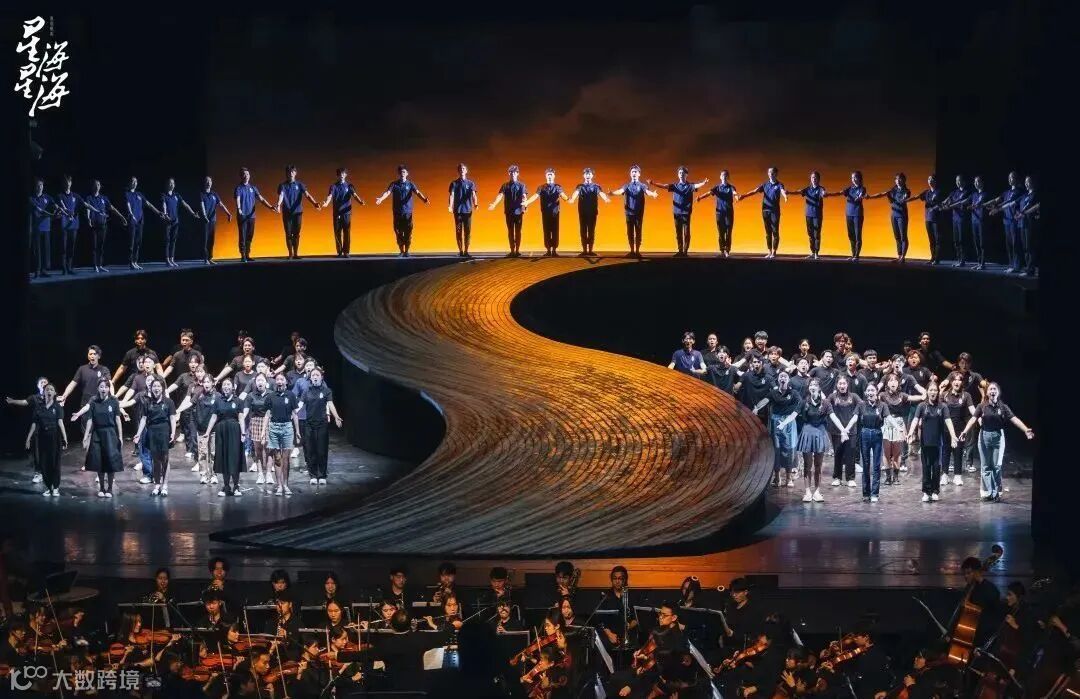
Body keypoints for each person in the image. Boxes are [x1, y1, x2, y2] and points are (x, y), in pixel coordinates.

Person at [959, 383, 1034, 502]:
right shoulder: (982, 406)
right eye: (990, 389)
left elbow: (1014, 419)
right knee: (986, 466)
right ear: (987, 392)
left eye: (995, 389)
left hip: (998, 437)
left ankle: (996, 492)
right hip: (984, 437)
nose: (992, 391)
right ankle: (987, 493)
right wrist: (965, 431)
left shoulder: (1003, 407)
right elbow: (973, 419)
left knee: (996, 466)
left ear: (998, 392)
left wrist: (1025, 429)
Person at [78, 377, 124, 497]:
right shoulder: (94, 401)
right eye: (101, 387)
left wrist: (120, 436)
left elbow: (117, 419)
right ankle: (102, 488)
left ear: (109, 388)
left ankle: (110, 489)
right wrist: (86, 436)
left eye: (106, 387)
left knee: (110, 461)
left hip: (110, 434)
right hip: (97, 433)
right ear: (98, 388)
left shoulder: (114, 401)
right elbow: (90, 420)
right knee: (99, 461)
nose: (104, 389)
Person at [648, 166, 709, 256]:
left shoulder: (690, 186)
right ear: (678, 174)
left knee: (686, 232)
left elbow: (697, 185)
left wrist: (704, 183)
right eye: (680, 173)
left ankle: (685, 251)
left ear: (686, 175)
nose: (681, 174)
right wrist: (653, 183)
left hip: (686, 213)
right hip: (677, 213)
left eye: (683, 173)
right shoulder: (675, 186)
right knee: (678, 232)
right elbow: (664, 186)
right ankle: (680, 251)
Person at [297, 367, 342, 485]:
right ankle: (313, 475)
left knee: (322, 450)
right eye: (313, 375)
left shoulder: (326, 391)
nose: (315, 377)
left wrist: (336, 416)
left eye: (317, 375)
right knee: (310, 450)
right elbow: (300, 405)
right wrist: (292, 412)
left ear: (321, 377)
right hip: (309, 424)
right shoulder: (306, 391)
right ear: (310, 378)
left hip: (322, 424)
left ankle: (322, 475)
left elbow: (330, 404)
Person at [133, 378, 177, 496]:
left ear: (162, 388)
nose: (156, 389)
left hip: (164, 432)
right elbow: (144, 419)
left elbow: (172, 418)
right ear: (151, 388)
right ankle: (157, 485)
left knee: (165, 459)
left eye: (158, 386)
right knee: (155, 460)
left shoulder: (169, 402)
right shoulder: (148, 402)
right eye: (154, 386)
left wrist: (173, 432)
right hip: (152, 432)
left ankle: (165, 485)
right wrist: (138, 433)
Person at [757, 371, 801, 488]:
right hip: (775, 422)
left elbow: (800, 403)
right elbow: (765, 401)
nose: (783, 378)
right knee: (776, 449)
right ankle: (777, 477)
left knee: (790, 449)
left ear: (788, 380)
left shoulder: (793, 393)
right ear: (778, 380)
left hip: (789, 422)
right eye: (781, 376)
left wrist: (794, 414)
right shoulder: (773, 393)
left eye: (785, 376)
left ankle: (789, 477)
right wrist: (756, 408)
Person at [375, 165, 430, 257]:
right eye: (401, 172)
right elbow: (387, 193)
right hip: (397, 212)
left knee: (408, 232)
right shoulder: (394, 184)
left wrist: (424, 199)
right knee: (398, 232)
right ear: (398, 173)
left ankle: (407, 251)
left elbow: (417, 192)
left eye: (404, 172)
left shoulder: (410, 184)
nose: (402, 174)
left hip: (408, 212)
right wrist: (381, 198)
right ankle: (401, 251)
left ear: (407, 173)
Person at [204, 377, 245, 497]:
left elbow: (241, 417)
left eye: (228, 385)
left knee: (234, 458)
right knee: (224, 458)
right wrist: (207, 432)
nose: (226, 387)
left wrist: (243, 432)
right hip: (221, 431)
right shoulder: (218, 400)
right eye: (224, 385)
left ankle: (236, 486)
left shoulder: (238, 401)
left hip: (234, 431)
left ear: (233, 387)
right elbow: (214, 417)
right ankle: (226, 486)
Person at [880, 373, 922, 486]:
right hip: (886, 423)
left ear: (898, 383)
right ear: (887, 383)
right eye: (890, 380)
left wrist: (924, 395)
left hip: (899, 423)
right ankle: (888, 477)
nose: (893, 382)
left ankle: (896, 477)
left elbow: (913, 397)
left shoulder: (901, 395)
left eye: (895, 380)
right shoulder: (882, 395)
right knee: (886, 452)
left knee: (897, 453)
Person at [737, 166, 788, 258]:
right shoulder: (765, 185)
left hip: (775, 211)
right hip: (765, 211)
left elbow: (782, 191)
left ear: (776, 174)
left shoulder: (779, 184)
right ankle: (769, 251)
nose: (770, 174)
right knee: (768, 232)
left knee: (775, 231)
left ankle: (774, 252)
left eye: (772, 172)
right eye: (769, 172)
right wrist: (744, 196)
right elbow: (755, 191)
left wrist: (785, 196)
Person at [25, 383, 67, 496]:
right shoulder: (39, 408)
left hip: (55, 437)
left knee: (55, 463)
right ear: (44, 392)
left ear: (54, 393)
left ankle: (56, 487)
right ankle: (48, 487)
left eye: (51, 389)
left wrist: (65, 437)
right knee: (44, 463)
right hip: (43, 437)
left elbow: (60, 422)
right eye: (47, 389)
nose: (49, 391)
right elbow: (34, 424)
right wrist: (28, 438)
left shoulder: (57, 407)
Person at [608, 165, 658, 258]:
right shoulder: (627, 186)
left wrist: (653, 194)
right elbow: (620, 191)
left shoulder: (642, 185)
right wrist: (613, 193)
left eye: (635, 172)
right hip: (629, 213)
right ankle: (631, 251)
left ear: (639, 174)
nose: (634, 173)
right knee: (630, 232)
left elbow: (647, 192)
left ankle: (637, 251)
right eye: (632, 172)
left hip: (638, 213)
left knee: (638, 231)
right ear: (630, 174)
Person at [909, 382, 948, 502]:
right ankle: (926, 492)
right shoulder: (922, 406)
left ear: (938, 392)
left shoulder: (942, 406)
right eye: (931, 390)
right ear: (927, 391)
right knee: (926, 468)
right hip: (925, 442)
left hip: (938, 443)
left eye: (935, 390)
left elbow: (948, 421)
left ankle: (935, 491)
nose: (933, 392)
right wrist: (910, 432)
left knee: (936, 468)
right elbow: (915, 420)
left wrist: (953, 435)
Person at [59, 345, 112, 430]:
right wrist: (64, 395)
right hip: (85, 404)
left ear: (99, 356)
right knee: (86, 431)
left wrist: (113, 397)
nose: (92, 356)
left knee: (101, 430)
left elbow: (110, 384)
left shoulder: (104, 369)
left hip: (100, 404)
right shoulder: (82, 369)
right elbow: (73, 383)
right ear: (88, 356)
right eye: (90, 354)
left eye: (94, 354)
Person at [275, 165, 321, 259]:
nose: (291, 174)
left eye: (292, 172)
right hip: (287, 213)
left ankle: (296, 253)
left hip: (298, 213)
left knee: (296, 233)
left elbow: (307, 195)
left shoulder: (300, 185)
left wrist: (314, 203)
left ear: (295, 173)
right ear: (286, 174)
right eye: (289, 172)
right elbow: (281, 195)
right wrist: (278, 205)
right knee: (288, 233)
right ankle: (290, 254)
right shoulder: (282, 185)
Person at [55, 174, 98, 275]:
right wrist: (66, 212)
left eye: (69, 182)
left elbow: (85, 204)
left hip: (74, 225)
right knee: (63, 247)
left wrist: (96, 210)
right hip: (64, 225)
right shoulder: (59, 196)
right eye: (66, 182)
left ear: (71, 183)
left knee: (71, 247)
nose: (67, 184)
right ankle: (64, 268)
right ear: (63, 183)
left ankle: (69, 267)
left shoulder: (76, 196)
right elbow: (61, 207)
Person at [940, 371, 977, 488]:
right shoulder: (945, 395)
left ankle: (957, 475)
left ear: (962, 382)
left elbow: (973, 410)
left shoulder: (966, 396)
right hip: (946, 428)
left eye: (959, 380)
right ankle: (945, 475)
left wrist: (979, 416)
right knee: (945, 451)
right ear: (951, 382)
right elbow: (937, 407)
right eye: (954, 380)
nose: (956, 382)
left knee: (958, 451)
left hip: (960, 429)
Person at [123, 176, 168, 270]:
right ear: (129, 183)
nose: (134, 183)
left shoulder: (139, 194)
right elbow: (128, 204)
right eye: (132, 181)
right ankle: (131, 262)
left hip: (140, 220)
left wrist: (158, 212)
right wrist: (131, 213)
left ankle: (135, 261)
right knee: (132, 243)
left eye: (136, 181)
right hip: (132, 220)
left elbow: (148, 204)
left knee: (138, 242)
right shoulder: (127, 194)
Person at [983, 171, 1024, 273]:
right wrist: (986, 204)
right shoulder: (1006, 192)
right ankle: (1011, 265)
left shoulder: (1019, 191)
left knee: (1015, 244)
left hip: (1014, 221)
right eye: (1009, 178)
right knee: (1009, 243)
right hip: (1006, 221)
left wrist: (997, 209)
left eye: (1012, 177)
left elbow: (1008, 202)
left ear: (1016, 179)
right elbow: (997, 199)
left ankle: (1017, 266)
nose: (1010, 179)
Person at [866, 172, 912, 262]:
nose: (898, 181)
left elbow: (905, 198)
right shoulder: (893, 190)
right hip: (894, 215)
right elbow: (881, 194)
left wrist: (903, 198)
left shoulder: (907, 191)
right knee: (897, 236)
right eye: (896, 179)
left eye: (900, 179)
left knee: (903, 236)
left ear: (904, 180)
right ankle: (899, 256)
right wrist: (870, 197)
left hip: (902, 215)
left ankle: (903, 257)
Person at [266, 372, 300, 496]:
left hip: (287, 427)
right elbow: (267, 414)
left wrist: (297, 431)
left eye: (282, 379)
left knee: (286, 458)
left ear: (285, 381)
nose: (279, 381)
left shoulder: (291, 395)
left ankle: (285, 484)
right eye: (277, 379)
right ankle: (279, 485)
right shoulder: (271, 396)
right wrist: (264, 431)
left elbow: (295, 414)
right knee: (277, 458)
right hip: (274, 428)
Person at [524, 168, 570, 256]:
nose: (549, 176)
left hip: (555, 213)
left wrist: (569, 199)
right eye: (548, 174)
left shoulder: (558, 187)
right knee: (546, 231)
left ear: (554, 176)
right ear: (545, 176)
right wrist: (527, 202)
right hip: (545, 213)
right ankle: (548, 250)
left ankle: (554, 250)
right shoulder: (541, 187)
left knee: (555, 231)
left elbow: (563, 195)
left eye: (551, 174)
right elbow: (535, 196)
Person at [84, 179, 127, 273]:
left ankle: (100, 265)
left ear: (100, 187)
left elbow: (112, 208)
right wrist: (88, 219)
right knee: (94, 246)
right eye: (95, 185)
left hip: (103, 224)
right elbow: (88, 209)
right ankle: (95, 265)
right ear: (92, 187)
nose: (97, 186)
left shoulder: (104, 198)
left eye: (98, 185)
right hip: (93, 225)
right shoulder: (89, 198)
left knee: (101, 246)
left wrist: (121, 217)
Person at [797, 379, 829, 502]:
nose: (813, 387)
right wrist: (784, 423)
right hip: (807, 433)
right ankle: (807, 492)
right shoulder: (804, 402)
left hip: (820, 433)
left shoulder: (825, 403)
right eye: (811, 385)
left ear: (819, 388)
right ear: (808, 388)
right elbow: (794, 414)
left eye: (815, 385)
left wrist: (843, 429)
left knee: (818, 465)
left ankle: (817, 491)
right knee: (807, 464)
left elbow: (832, 416)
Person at [234, 167, 276, 262]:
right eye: (244, 174)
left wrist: (270, 207)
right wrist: (239, 209)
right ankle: (243, 255)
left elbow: (261, 199)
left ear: (249, 176)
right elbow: (238, 199)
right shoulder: (239, 188)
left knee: (250, 235)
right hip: (242, 216)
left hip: (251, 216)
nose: (246, 176)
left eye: (247, 174)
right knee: (242, 236)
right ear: (241, 176)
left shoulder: (253, 188)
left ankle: (247, 254)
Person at [826, 376, 861, 489]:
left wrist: (846, 430)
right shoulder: (832, 397)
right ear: (837, 385)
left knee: (850, 454)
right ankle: (837, 477)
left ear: (847, 384)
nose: (842, 386)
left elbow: (860, 408)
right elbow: (826, 407)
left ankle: (850, 479)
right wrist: (842, 430)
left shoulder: (854, 396)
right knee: (838, 454)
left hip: (851, 431)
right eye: (840, 383)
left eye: (844, 383)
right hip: (837, 431)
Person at [321, 167, 365, 257]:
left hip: (346, 214)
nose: (342, 175)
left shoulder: (349, 186)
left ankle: (346, 252)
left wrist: (360, 201)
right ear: (337, 175)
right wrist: (326, 203)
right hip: (337, 213)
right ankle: (339, 251)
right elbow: (329, 196)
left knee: (346, 232)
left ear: (345, 175)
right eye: (340, 174)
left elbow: (355, 195)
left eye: (343, 173)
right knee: (337, 232)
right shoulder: (333, 186)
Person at [567, 167, 611, 256]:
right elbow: (575, 193)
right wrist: (572, 199)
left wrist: (606, 198)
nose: (588, 175)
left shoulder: (596, 186)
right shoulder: (580, 186)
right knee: (583, 230)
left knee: (591, 230)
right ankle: (584, 251)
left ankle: (590, 250)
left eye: (589, 174)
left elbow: (601, 193)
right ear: (583, 175)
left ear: (592, 175)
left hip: (592, 212)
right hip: (582, 212)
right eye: (586, 174)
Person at [856, 384, 888, 503]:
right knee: (865, 464)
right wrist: (845, 429)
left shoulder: (882, 405)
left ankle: (875, 493)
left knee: (876, 465)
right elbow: (854, 418)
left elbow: (889, 418)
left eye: (872, 390)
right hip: (864, 434)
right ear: (865, 393)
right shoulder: (861, 405)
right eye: (868, 390)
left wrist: (899, 428)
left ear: (876, 392)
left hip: (877, 433)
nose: (870, 392)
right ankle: (866, 493)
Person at [826, 170, 867, 260]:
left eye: (855, 177)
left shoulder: (862, 188)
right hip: (849, 214)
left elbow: (861, 195)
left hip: (857, 214)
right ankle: (853, 254)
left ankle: (856, 255)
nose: (853, 179)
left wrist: (859, 197)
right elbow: (839, 193)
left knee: (857, 235)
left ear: (859, 178)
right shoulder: (849, 189)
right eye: (852, 177)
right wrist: (828, 194)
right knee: (851, 235)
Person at [241, 373, 273, 488]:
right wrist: (240, 420)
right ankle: (260, 474)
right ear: (255, 383)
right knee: (258, 449)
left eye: (262, 380)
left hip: (269, 421)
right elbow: (245, 410)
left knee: (269, 449)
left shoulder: (271, 394)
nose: (260, 382)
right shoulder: (251, 395)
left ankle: (268, 474)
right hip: (255, 421)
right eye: (258, 380)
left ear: (266, 382)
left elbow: (272, 409)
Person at [695, 169, 737, 257]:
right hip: (719, 213)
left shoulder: (731, 187)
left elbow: (735, 193)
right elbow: (709, 193)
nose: (724, 176)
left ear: (728, 177)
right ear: (720, 177)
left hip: (729, 213)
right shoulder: (717, 188)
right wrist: (700, 197)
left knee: (728, 232)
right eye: (722, 175)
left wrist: (737, 197)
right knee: (721, 232)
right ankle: (722, 250)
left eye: (726, 175)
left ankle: (727, 251)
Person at [160, 177, 201, 268]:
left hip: (175, 221)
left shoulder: (177, 195)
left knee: (173, 240)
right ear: (167, 184)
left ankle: (172, 259)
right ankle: (167, 260)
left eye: (173, 183)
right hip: (167, 221)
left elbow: (185, 204)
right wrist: (165, 214)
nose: (171, 185)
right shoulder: (164, 195)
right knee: (167, 241)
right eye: (170, 183)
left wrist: (193, 213)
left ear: (174, 185)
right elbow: (164, 205)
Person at [28, 178, 63, 278]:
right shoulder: (31, 199)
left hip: (46, 228)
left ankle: (44, 270)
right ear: (35, 187)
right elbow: (40, 211)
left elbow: (55, 206)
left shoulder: (47, 197)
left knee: (45, 250)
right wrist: (53, 215)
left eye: (41, 185)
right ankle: (37, 270)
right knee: (37, 250)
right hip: (36, 229)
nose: (40, 187)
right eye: (38, 185)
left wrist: (58, 209)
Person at [914, 174, 948, 265]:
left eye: (932, 179)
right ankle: (932, 258)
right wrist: (907, 200)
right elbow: (917, 196)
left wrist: (935, 207)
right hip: (928, 218)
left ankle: (937, 259)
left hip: (937, 219)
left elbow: (943, 204)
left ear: (935, 181)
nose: (930, 181)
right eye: (929, 179)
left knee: (937, 239)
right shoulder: (927, 192)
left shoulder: (939, 192)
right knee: (931, 240)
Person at [791, 171, 826, 259]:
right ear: (810, 179)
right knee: (810, 234)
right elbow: (799, 192)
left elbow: (823, 193)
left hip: (817, 215)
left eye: (815, 178)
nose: (814, 179)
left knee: (816, 234)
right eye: (812, 177)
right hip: (808, 214)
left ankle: (816, 253)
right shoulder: (807, 189)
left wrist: (824, 194)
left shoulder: (821, 189)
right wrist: (788, 192)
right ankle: (812, 252)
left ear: (818, 179)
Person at [939, 174, 973, 267]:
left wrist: (949, 206)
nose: (958, 182)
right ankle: (958, 259)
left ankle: (963, 260)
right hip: (955, 219)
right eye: (956, 181)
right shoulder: (954, 192)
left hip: (963, 219)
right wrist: (943, 204)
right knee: (956, 240)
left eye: (959, 180)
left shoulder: (967, 192)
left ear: (964, 181)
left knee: (962, 240)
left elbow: (961, 203)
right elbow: (946, 200)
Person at [198, 176, 231, 264]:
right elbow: (202, 206)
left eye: (210, 181)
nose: (208, 183)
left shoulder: (214, 194)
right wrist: (204, 216)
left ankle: (210, 258)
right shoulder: (201, 194)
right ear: (204, 183)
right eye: (207, 181)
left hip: (213, 220)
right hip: (205, 220)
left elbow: (221, 205)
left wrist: (228, 213)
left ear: (212, 183)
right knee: (205, 240)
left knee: (211, 240)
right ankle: (205, 259)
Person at [448, 162, 479, 257]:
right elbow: (452, 195)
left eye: (463, 169)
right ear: (458, 171)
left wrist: (475, 204)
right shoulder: (454, 183)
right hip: (458, 212)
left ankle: (466, 251)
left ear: (466, 171)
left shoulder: (470, 183)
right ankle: (461, 251)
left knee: (467, 231)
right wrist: (450, 206)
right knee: (458, 231)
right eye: (460, 169)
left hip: (468, 211)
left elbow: (474, 195)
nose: (462, 170)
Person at [1014, 175, 1039, 277]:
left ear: (1033, 182)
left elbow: (1035, 207)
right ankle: (1028, 268)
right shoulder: (1024, 195)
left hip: (1030, 223)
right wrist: (1017, 213)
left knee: (1030, 246)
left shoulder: (1035, 194)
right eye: (1025, 182)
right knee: (1025, 247)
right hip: (1022, 223)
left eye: (1028, 181)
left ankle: (1031, 269)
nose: (1026, 184)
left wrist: (1023, 213)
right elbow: (1017, 205)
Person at [967, 176, 990, 269]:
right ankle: (979, 262)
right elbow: (966, 200)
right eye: (975, 182)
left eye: (978, 181)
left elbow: (981, 203)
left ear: (982, 182)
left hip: (982, 221)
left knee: (982, 243)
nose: (976, 183)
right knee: (976, 242)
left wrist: (975, 205)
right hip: (974, 221)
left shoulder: (985, 194)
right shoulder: (973, 194)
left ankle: (983, 263)